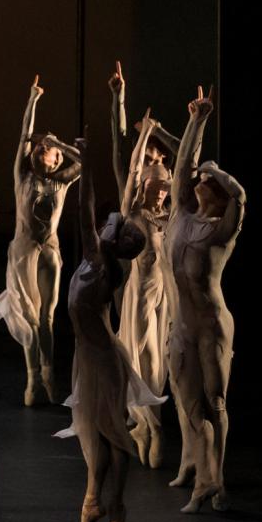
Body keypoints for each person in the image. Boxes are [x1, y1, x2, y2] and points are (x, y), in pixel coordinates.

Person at [58, 99, 152, 522]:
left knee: (115, 438)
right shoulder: (95, 262)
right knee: (96, 438)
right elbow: (90, 210)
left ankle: (114, 506)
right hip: (89, 358)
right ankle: (96, 501)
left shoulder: (101, 266)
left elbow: (86, 206)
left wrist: (86, 159)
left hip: (102, 362)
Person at [164, 87, 243, 512]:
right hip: (183, 326)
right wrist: (198, 120)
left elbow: (241, 198)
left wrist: (219, 172)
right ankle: (205, 479)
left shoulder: (221, 230)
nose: (200, 181)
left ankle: (217, 481)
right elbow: (182, 168)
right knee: (191, 406)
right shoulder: (182, 215)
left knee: (216, 403)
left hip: (212, 325)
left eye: (207, 182)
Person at [0, 76, 84, 405]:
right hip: (23, 251)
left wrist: (60, 143)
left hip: (49, 251)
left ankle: (48, 374)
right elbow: (23, 138)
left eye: (48, 149)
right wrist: (33, 100)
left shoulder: (61, 181)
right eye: (40, 146)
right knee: (28, 316)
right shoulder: (23, 176)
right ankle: (32, 379)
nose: (43, 148)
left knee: (47, 317)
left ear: (56, 160)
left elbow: (83, 161)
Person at [110, 64, 177, 466]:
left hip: (164, 298)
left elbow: (187, 158)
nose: (163, 188)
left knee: (157, 363)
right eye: (156, 182)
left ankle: (149, 423)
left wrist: (163, 130)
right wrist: (119, 100)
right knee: (138, 357)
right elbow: (125, 157)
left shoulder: (170, 217)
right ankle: (148, 425)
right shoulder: (133, 212)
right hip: (137, 294)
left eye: (166, 182)